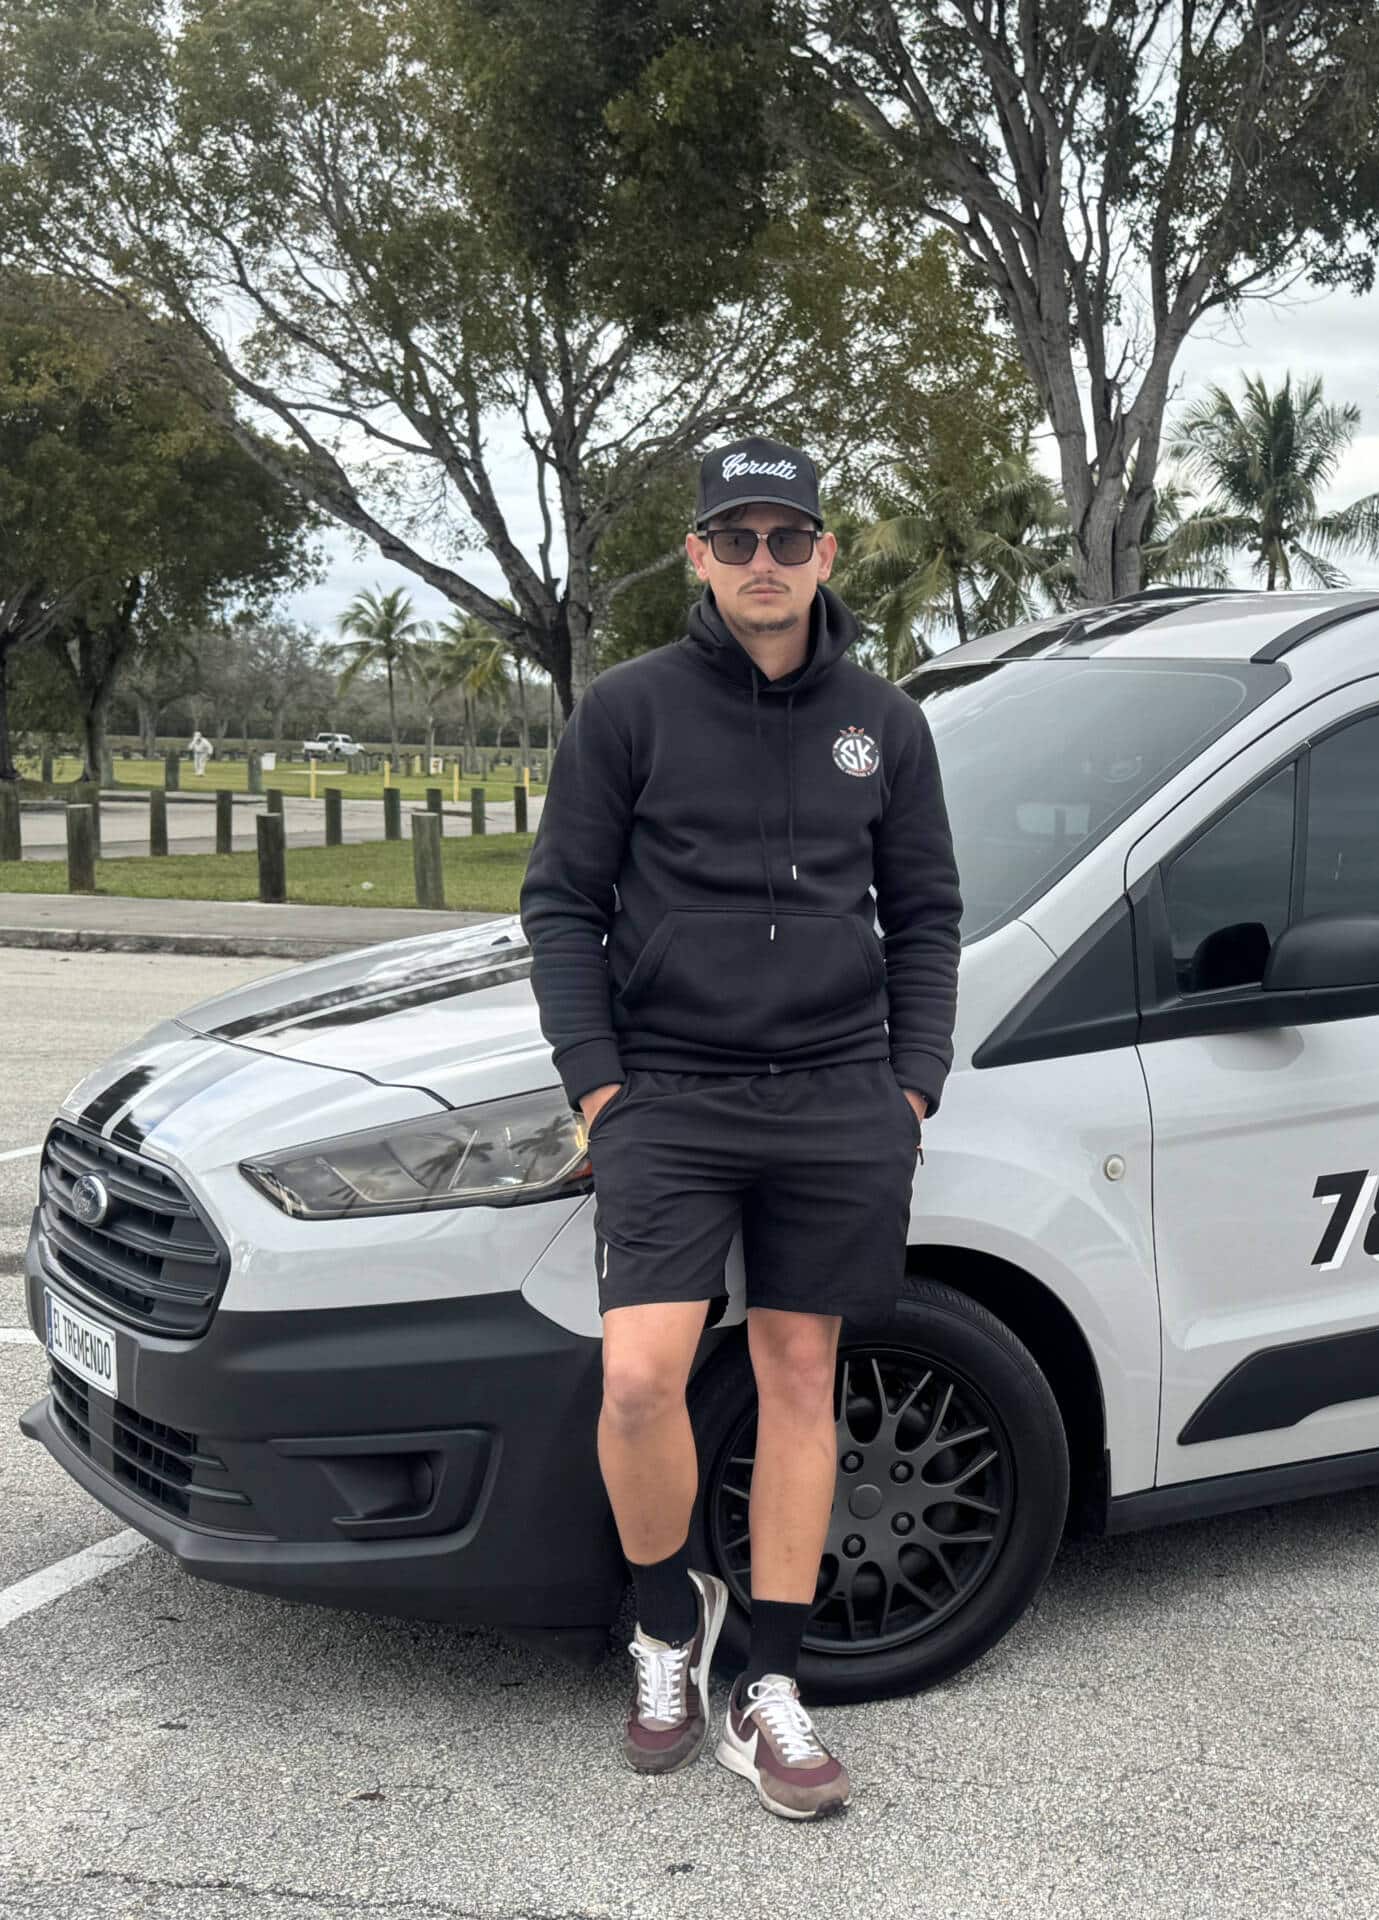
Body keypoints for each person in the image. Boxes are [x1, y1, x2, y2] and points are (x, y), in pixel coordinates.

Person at [519, 434, 962, 1820]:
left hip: (837, 1095)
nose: (762, 562)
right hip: (669, 1093)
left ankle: (772, 1685)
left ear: (824, 552)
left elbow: (927, 914)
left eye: (786, 537)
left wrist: (912, 1085)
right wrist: (600, 1085)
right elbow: (562, 905)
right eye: (736, 538)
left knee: (798, 1375)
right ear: (699, 556)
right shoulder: (628, 710)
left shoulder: (885, 723)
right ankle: (668, 1626)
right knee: (641, 1378)